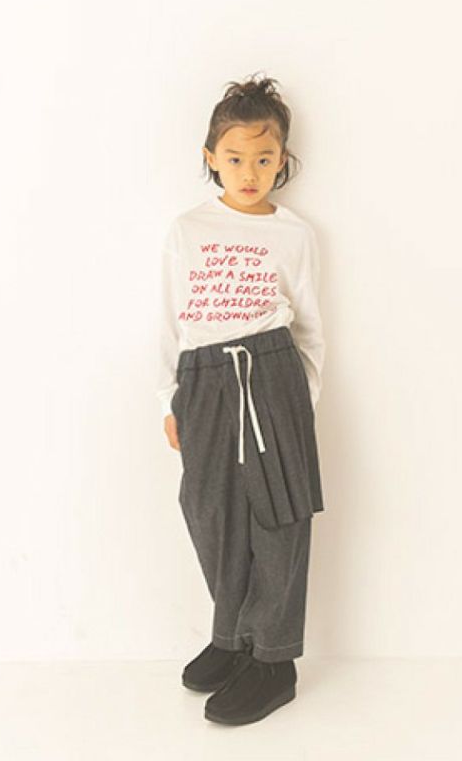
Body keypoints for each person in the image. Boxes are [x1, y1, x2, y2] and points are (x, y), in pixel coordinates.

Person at [157, 72, 325, 726]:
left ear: (282, 160)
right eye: (235, 158)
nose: (249, 172)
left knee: (279, 515)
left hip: (272, 370)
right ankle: (233, 635)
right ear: (211, 158)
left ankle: (274, 660)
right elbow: (170, 318)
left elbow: (309, 326)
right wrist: (169, 399)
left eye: (263, 158)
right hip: (203, 378)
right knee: (209, 509)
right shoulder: (187, 229)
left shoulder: (295, 234)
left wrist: (299, 403)